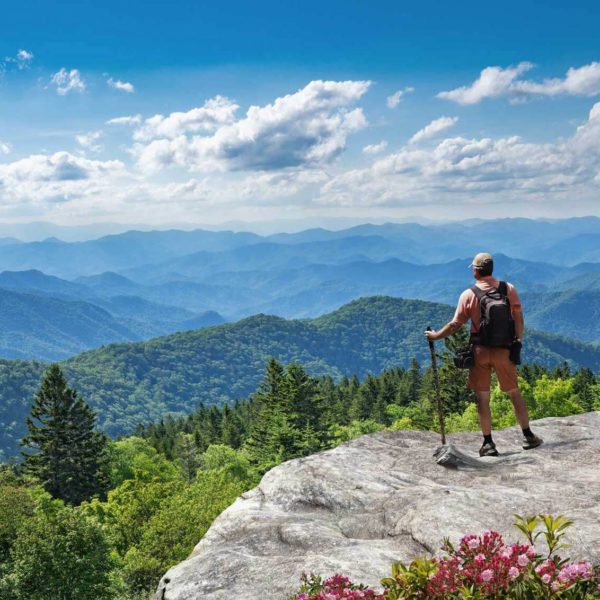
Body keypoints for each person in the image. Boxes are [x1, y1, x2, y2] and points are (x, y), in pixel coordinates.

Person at [424, 252, 543, 457]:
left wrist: (435, 336)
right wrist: (518, 342)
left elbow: (455, 325)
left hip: (479, 352)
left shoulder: (468, 294)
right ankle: (528, 435)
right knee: (514, 392)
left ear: (476, 270)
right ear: (492, 269)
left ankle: (488, 443)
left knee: (482, 398)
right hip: (504, 350)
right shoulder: (508, 289)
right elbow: (519, 319)